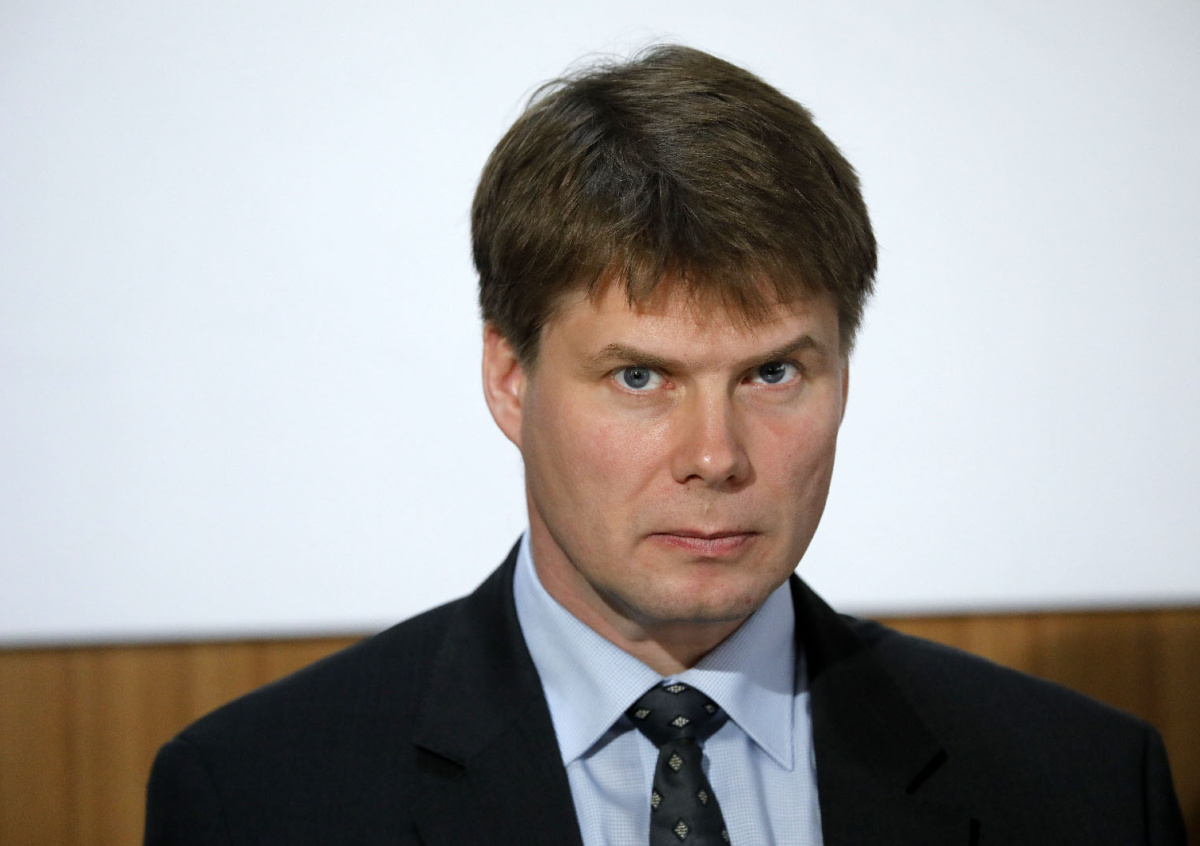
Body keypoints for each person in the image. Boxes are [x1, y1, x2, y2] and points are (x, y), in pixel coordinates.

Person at [144, 45, 1186, 845]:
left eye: (773, 373)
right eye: (641, 377)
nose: (716, 457)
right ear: (510, 379)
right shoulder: (260, 797)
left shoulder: (1085, 788)